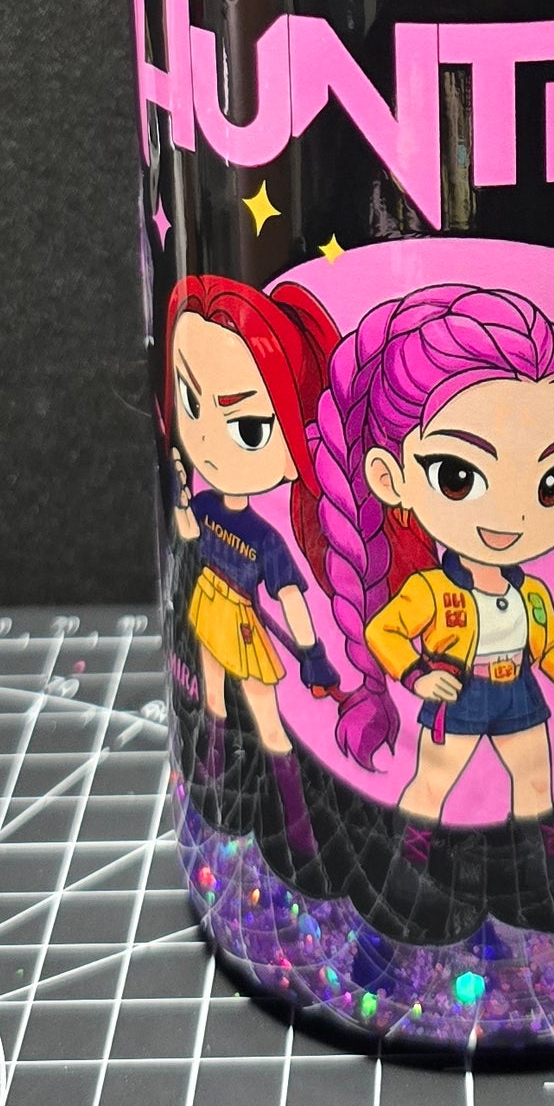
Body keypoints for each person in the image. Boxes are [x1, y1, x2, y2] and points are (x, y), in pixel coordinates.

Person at [312, 285, 554, 843]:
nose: (512, 514)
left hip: (518, 689)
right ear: (389, 477)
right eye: (458, 476)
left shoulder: (531, 595)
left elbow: (552, 645)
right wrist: (417, 673)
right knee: (434, 780)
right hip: (459, 691)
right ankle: (409, 853)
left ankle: (540, 860)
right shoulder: (431, 591)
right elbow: (383, 630)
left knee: (536, 778)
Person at [166, 274, 341, 851]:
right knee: (214, 699)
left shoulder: (266, 538)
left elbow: (290, 596)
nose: (209, 442)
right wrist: (181, 500)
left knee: (267, 716)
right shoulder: (209, 503)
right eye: (191, 402)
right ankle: (213, 783)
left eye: (247, 429)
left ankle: (297, 822)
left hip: (241, 619)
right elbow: (190, 536)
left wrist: (312, 653)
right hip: (208, 606)